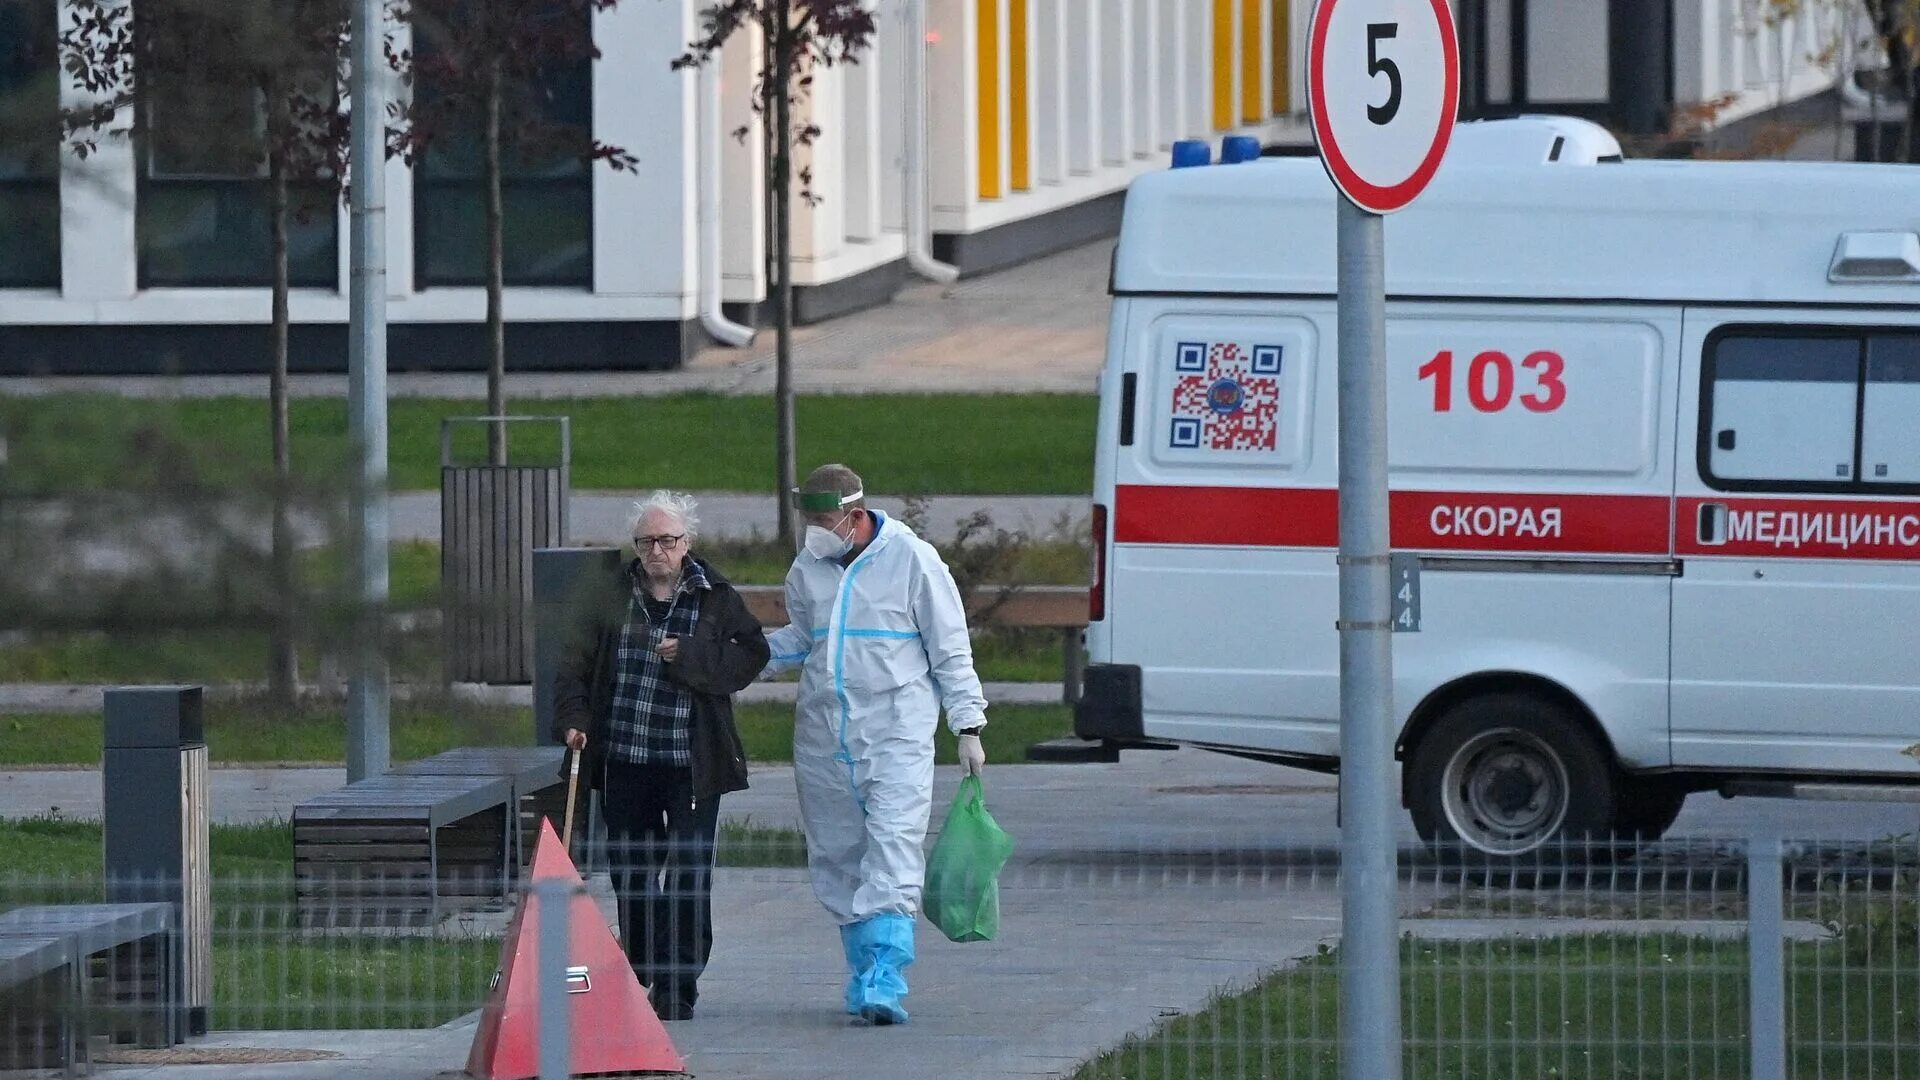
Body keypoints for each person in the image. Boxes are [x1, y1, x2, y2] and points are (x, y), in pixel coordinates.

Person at [761, 463, 989, 1026]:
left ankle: (887, 973)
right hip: (823, 735)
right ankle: (864, 970)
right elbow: (801, 637)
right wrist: (740, 658)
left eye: (823, 520)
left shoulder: (912, 561)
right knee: (838, 854)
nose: (814, 531)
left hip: (895, 734)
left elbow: (949, 648)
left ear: (855, 515)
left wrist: (968, 724)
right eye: (809, 521)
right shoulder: (809, 566)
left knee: (892, 846)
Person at [551, 491, 769, 1021]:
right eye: (647, 541)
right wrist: (575, 720)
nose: (657, 550)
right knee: (633, 871)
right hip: (626, 757)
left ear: (686, 543)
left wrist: (690, 654)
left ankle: (678, 985)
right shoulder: (610, 595)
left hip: (693, 763)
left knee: (689, 872)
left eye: (667, 540)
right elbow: (572, 666)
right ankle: (644, 964)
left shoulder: (714, 596)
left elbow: (751, 654)